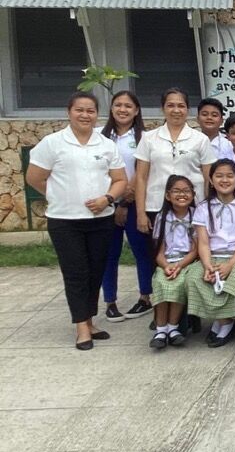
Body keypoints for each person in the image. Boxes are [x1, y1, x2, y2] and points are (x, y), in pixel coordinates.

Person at [26, 92, 127, 350]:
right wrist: (59, 195)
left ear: (97, 114)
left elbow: (120, 180)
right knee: (76, 273)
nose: (85, 115)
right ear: (69, 112)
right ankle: (81, 327)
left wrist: (107, 199)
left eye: (90, 111)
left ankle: (90, 320)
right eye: (79, 110)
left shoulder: (106, 145)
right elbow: (34, 177)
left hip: (100, 219)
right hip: (65, 221)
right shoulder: (52, 143)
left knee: (95, 271)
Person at [186, 159, 235, 348]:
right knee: (194, 278)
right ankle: (226, 322)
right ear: (211, 180)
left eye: (229, 176)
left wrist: (230, 265)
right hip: (212, 256)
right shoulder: (203, 207)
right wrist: (207, 265)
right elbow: (203, 242)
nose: (224, 180)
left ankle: (223, 323)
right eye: (219, 176)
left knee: (234, 278)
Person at [100, 90, 153, 322]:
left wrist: (124, 202)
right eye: (118, 105)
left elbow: (142, 172)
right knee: (108, 254)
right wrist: (111, 200)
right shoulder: (100, 137)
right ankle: (110, 302)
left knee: (142, 252)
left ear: (136, 110)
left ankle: (145, 297)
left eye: (128, 106)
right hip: (105, 204)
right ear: (111, 108)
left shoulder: (144, 138)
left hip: (134, 202)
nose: (123, 109)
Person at [134, 87, 217, 233]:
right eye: (170, 105)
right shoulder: (148, 138)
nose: (176, 110)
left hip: (193, 206)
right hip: (156, 205)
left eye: (181, 106)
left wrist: (207, 209)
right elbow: (141, 177)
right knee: (158, 247)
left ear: (188, 109)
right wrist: (140, 213)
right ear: (163, 109)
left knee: (193, 246)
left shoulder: (201, 139)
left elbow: (208, 178)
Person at [147, 175, 198, 350]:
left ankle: (173, 327)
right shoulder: (162, 217)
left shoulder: (196, 215)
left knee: (180, 282)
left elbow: (195, 250)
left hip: (187, 261)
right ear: (168, 195)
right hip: (166, 261)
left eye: (186, 191)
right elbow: (159, 251)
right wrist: (166, 266)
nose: (182, 194)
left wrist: (179, 266)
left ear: (193, 194)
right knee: (161, 281)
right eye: (176, 191)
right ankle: (161, 330)